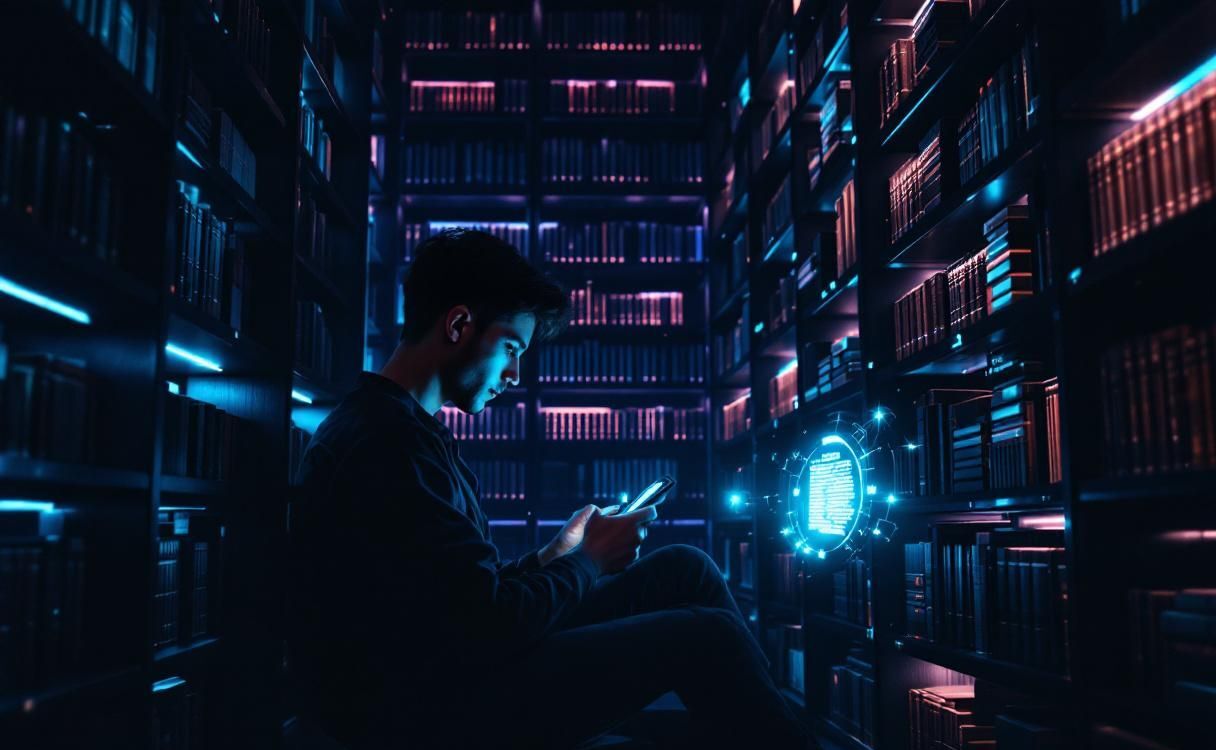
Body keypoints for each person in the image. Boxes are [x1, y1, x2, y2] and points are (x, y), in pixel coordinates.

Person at [287, 229, 815, 749]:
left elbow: (457, 595)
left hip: (453, 664)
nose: (516, 373)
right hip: (427, 709)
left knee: (685, 568)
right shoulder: (389, 445)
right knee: (707, 638)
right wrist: (588, 562)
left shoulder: (406, 429)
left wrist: (552, 556)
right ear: (458, 324)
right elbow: (484, 624)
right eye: (511, 347)